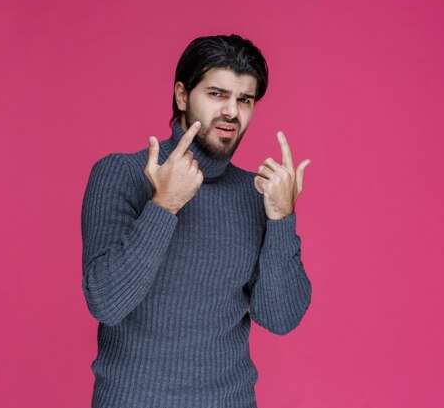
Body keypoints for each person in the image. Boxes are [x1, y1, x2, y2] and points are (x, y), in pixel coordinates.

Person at [81, 34, 312, 408]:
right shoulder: (120, 174)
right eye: (217, 94)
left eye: (244, 100)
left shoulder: (255, 194)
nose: (232, 112)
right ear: (182, 95)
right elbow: (107, 303)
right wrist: (164, 204)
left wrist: (282, 218)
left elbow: (281, 318)